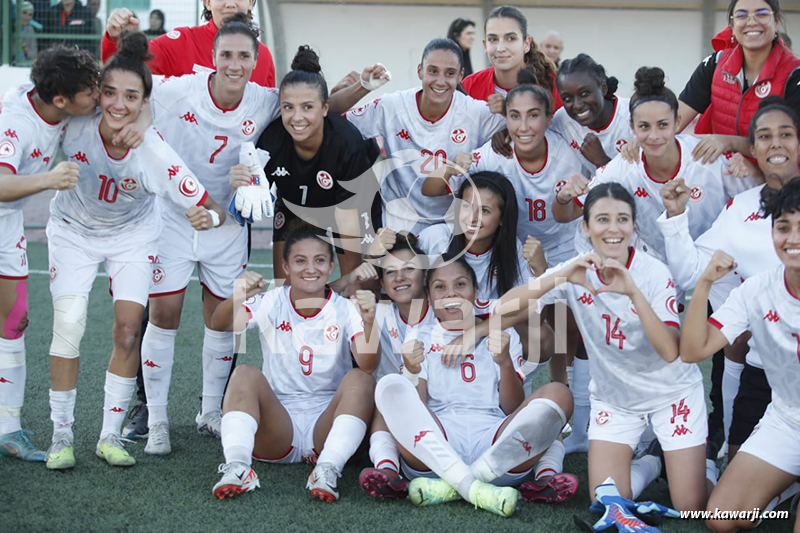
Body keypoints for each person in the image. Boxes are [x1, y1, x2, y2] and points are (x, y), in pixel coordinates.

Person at [43, 31, 226, 470]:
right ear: (97, 94)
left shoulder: (154, 153)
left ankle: (109, 436)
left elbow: (209, 205)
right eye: (109, 93)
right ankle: (60, 435)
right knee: (69, 325)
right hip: (72, 231)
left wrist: (209, 219)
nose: (118, 104)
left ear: (146, 102)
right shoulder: (73, 127)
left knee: (128, 330)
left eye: (130, 95)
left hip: (133, 236)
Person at [486, 183, 711, 510]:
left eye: (623, 219)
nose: (613, 228)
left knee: (690, 506)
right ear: (586, 227)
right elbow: (502, 308)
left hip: (670, 393)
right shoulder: (578, 268)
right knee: (606, 501)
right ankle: (653, 463)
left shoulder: (653, 272)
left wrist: (633, 291)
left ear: (633, 227)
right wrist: (557, 278)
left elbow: (669, 351)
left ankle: (706, 467)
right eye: (602, 219)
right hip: (615, 398)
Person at [136, 14, 283, 454]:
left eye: (243, 56)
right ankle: (158, 421)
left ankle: (210, 412)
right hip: (175, 219)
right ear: (213, 57)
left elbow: (314, 105)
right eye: (226, 55)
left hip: (228, 227)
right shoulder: (178, 89)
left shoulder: (264, 99)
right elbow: (130, 92)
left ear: (256, 60)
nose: (234, 64)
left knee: (223, 321)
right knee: (164, 315)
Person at [658, 98, 800, 477]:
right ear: (752, 149)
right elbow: (690, 272)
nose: (776, 144)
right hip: (765, 372)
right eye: (765, 137)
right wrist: (675, 217)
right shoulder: (741, 206)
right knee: (727, 506)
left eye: (786, 134)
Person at [374, 256, 576, 517]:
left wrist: (503, 362)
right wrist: (412, 372)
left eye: (460, 284)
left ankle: (458, 483)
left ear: (475, 291)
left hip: (496, 444)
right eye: (440, 287)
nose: (451, 294)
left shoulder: (502, 335)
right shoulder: (420, 335)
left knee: (559, 394)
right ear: (429, 297)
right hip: (438, 443)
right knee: (388, 387)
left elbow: (511, 407)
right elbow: (418, 409)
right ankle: (479, 484)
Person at [208, 228, 379, 501]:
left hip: (328, 423)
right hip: (278, 425)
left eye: (320, 260)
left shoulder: (346, 308)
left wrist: (370, 321)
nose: (310, 268)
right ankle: (238, 467)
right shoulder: (271, 301)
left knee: (361, 379)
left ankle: (328, 468)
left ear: (331, 266)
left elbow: (368, 365)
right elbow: (219, 323)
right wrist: (237, 296)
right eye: (300, 261)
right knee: (244, 374)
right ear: (286, 266)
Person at [680, 180, 800, 532]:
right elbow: (693, 351)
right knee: (721, 518)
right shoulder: (758, 289)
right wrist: (703, 284)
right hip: (788, 422)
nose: (792, 238)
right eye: (783, 227)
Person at [0, 46, 100, 463]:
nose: (96, 95)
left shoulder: (56, 101)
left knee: (14, 321)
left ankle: (9, 430)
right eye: (89, 91)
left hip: (7, 226)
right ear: (61, 101)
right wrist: (50, 178)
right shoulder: (15, 123)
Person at [553, 66, 759, 261]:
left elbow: (758, 203)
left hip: (715, 263)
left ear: (677, 122)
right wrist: (563, 197)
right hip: (658, 267)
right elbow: (567, 214)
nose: (654, 136)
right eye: (644, 126)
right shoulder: (623, 168)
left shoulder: (707, 156)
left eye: (662, 125)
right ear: (632, 127)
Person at [229, 46, 380, 281]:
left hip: (347, 207)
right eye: (288, 107)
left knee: (360, 284)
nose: (297, 118)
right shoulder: (271, 140)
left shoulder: (346, 143)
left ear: (325, 108)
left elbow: (348, 220)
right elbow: (252, 195)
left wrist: (350, 281)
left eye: (307, 107)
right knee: (286, 291)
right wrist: (243, 186)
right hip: (294, 207)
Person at [345, 38, 505, 234]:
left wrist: (506, 116)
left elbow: (525, 130)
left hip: (452, 226)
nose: (440, 80)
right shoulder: (393, 106)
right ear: (420, 70)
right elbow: (335, 123)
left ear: (460, 75)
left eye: (450, 73)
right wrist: (363, 86)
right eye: (433, 71)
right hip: (398, 222)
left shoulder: (475, 111)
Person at [679, 0, 800, 161]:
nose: (751, 22)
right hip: (719, 175)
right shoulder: (716, 63)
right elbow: (674, 121)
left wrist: (734, 144)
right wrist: (645, 137)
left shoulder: (794, 74)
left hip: (775, 177)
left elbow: (793, 147)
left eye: (762, 14)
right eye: (741, 15)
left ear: (776, 21)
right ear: (732, 24)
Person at [418, 171, 533, 303]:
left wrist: (540, 270)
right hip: (438, 322)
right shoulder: (435, 237)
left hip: (492, 322)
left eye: (484, 211)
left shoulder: (513, 247)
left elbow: (531, 312)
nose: (472, 218)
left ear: (502, 218)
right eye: (466, 207)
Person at [102, 1, 276, 87]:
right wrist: (116, 39)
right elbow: (124, 75)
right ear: (207, 2)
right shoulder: (179, 43)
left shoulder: (264, 56)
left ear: (251, 2)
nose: (230, 3)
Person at [462, 6, 561, 113]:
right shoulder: (469, 86)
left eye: (510, 38)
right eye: (493, 39)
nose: (500, 48)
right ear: (485, 45)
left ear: (526, 44)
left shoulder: (552, 83)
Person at [552, 54, 631, 174]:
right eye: (567, 99)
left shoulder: (633, 116)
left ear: (603, 88)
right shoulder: (561, 120)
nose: (577, 105)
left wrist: (602, 161)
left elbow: (641, 182)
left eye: (584, 94)